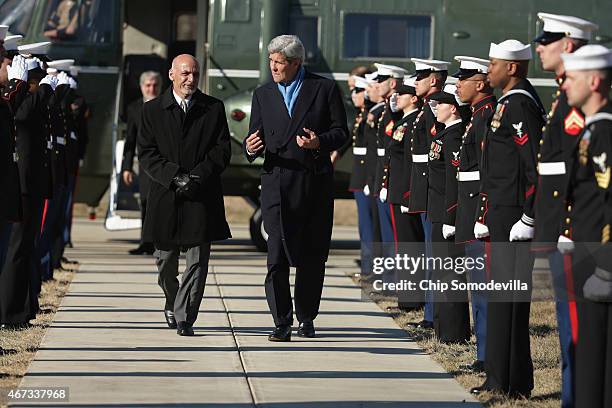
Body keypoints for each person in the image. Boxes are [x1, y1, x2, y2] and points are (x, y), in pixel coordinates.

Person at [243, 35, 348, 341]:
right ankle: (281, 321)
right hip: (276, 182)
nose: (273, 67)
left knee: (312, 256)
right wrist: (251, 147)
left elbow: (341, 132)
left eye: (279, 62)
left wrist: (319, 142)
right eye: (271, 61)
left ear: (296, 63)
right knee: (275, 255)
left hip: (313, 182)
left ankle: (306, 317)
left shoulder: (323, 88)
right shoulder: (263, 94)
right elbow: (255, 138)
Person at [471, 39, 545, 398]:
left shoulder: (520, 105)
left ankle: (507, 381)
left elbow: (533, 167)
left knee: (509, 301)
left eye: (494, 64)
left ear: (512, 68)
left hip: (515, 216)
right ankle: (504, 377)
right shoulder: (508, 103)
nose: (489, 71)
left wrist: (528, 217)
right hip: (501, 213)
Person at [138, 54, 231, 337]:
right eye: (185, 73)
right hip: (166, 195)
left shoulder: (213, 108)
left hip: (201, 196)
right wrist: (174, 176)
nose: (190, 79)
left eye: (195, 74)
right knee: (165, 262)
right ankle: (172, 298)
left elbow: (221, 150)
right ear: (172, 75)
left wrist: (197, 177)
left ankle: (184, 317)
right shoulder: (152, 111)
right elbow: (147, 153)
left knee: (197, 262)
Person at [533, 13, 598, 408]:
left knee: (577, 325)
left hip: (575, 230)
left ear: (569, 44)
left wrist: (569, 224)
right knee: (568, 323)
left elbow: (580, 168)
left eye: (548, 40)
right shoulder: (563, 93)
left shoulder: (582, 100)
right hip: (562, 226)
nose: (539, 46)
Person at [559, 44, 612, 408]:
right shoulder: (591, 130)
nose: (564, 85)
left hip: (598, 260)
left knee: (595, 358)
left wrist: (606, 269)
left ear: (594, 81)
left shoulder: (604, 133)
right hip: (586, 253)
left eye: (572, 78)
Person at [0, 42, 55, 329]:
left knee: (24, 248)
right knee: (16, 250)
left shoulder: (17, 94)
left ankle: (20, 309)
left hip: (26, 181)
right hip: (18, 182)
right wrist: (26, 87)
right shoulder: (13, 96)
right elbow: (20, 116)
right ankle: (10, 313)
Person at [453, 55, 497, 373]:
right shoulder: (475, 116)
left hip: (479, 211)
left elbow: (488, 172)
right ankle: (483, 350)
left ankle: (488, 353)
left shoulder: (487, 115)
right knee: (476, 286)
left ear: (480, 83)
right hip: (469, 208)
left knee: (484, 287)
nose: (457, 84)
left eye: (463, 79)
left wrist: (482, 215)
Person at [426, 83, 471, 344]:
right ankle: (444, 329)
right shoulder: (445, 135)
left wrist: (450, 217)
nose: (435, 109)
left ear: (453, 108)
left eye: (440, 105)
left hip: (446, 215)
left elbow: (454, 180)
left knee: (450, 274)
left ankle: (454, 332)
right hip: (438, 212)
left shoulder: (454, 136)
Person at [407, 59, 449, 329]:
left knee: (435, 254)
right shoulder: (426, 109)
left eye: (420, 77)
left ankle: (434, 315)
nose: (416, 82)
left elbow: (435, 152)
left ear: (434, 80)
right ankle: (431, 313)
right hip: (424, 185)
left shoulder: (435, 108)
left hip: (431, 186)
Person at [384, 76, 425, 310]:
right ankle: (408, 297)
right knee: (405, 247)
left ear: (414, 98)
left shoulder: (411, 124)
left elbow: (411, 163)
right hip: (398, 191)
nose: (396, 97)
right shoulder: (403, 121)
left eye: (402, 94)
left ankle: (412, 300)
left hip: (405, 192)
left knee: (410, 247)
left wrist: (409, 193)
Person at [123, 70, 162, 255]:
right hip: (145, 163)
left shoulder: (166, 106)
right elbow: (129, 140)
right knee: (146, 202)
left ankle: (160, 242)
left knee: (162, 203)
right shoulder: (134, 108)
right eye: (148, 85)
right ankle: (146, 242)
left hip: (164, 163)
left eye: (155, 85)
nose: (151, 89)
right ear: (141, 87)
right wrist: (127, 167)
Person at [347, 75, 374, 276]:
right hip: (360, 174)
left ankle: (370, 266)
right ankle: (368, 265)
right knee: (365, 224)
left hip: (366, 175)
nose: (353, 95)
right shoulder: (362, 115)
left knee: (370, 225)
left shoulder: (369, 116)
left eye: (357, 91)